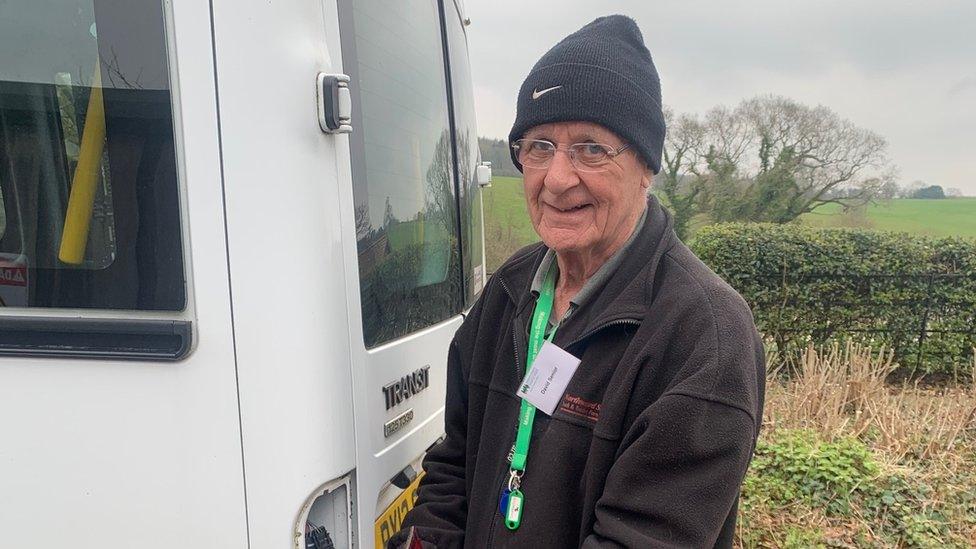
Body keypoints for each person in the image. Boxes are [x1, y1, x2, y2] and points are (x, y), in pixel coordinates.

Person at [390, 14, 765, 548]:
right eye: (539, 146)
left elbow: (643, 539)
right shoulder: (508, 292)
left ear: (645, 166)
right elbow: (455, 463)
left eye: (591, 148)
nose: (558, 178)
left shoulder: (704, 337)